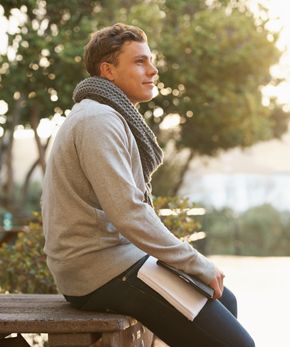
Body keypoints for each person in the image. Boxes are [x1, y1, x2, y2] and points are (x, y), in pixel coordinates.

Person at [41, 23, 255, 347]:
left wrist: (185, 264)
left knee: (226, 302)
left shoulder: (107, 115)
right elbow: (129, 212)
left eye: (151, 60)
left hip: (114, 262)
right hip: (99, 271)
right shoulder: (98, 121)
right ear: (108, 70)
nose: (153, 70)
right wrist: (196, 262)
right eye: (140, 61)